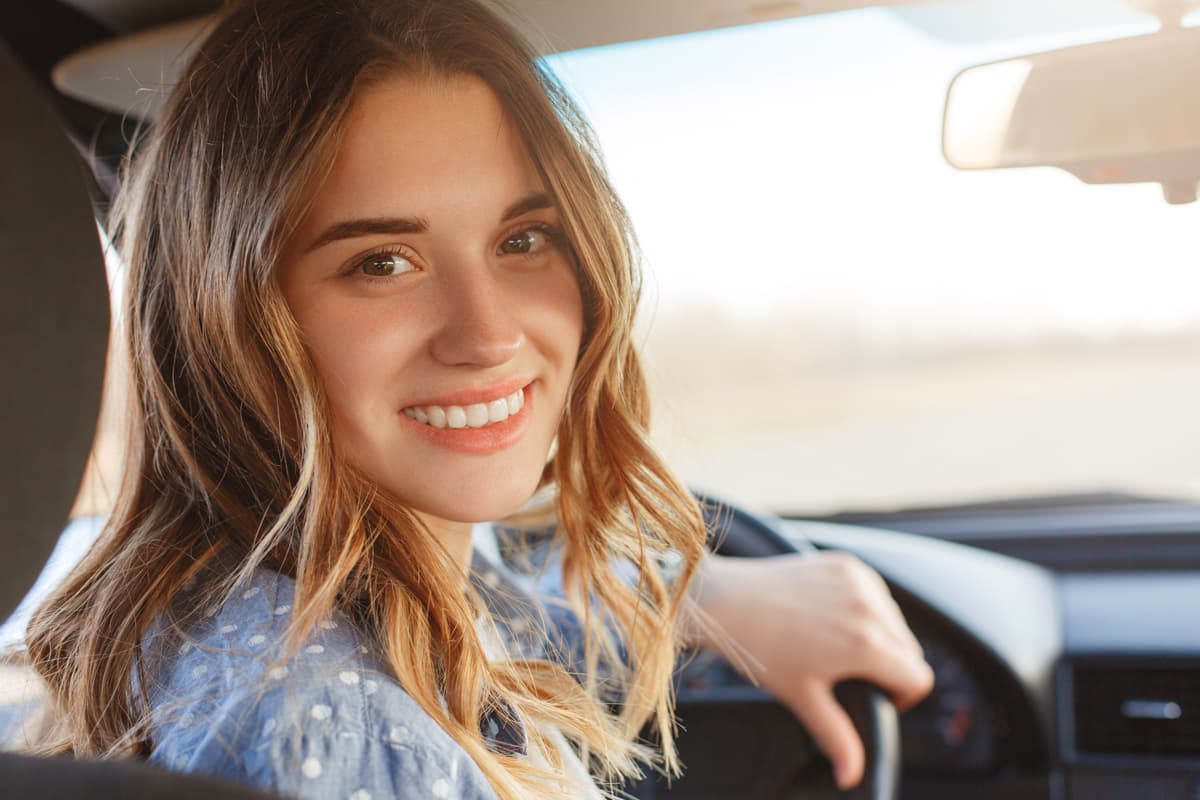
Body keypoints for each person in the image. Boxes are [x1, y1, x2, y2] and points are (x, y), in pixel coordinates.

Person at [23, 1, 933, 798]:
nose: (490, 334)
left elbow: (485, 605)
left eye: (523, 238)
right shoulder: (347, 731)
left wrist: (696, 604)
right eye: (382, 262)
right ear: (226, 321)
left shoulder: (250, 607)